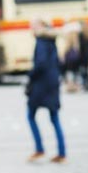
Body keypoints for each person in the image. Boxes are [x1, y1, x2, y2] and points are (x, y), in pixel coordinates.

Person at [26, 19, 66, 164]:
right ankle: (62, 152)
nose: (31, 28)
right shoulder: (51, 39)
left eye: (33, 25)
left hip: (41, 86)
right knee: (54, 118)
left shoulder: (41, 41)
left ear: (41, 26)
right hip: (52, 84)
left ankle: (39, 148)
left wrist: (30, 75)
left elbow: (40, 64)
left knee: (30, 116)